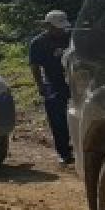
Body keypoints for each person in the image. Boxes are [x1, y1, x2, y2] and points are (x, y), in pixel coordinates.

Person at [29, 10, 74, 165]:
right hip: (52, 82)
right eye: (56, 27)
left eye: (61, 27)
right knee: (57, 119)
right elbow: (35, 66)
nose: (60, 30)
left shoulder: (71, 38)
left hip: (74, 81)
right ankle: (63, 152)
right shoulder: (38, 43)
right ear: (48, 26)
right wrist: (40, 85)